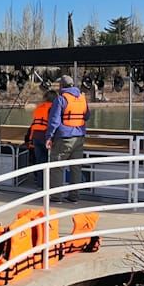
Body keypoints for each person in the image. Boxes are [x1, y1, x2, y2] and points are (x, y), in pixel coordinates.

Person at [44, 75, 89, 203]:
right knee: (76, 168)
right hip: (79, 137)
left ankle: (56, 197)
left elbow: (54, 121)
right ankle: (74, 196)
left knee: (57, 167)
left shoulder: (61, 99)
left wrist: (49, 137)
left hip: (63, 138)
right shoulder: (82, 98)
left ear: (61, 86)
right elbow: (87, 116)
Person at [27, 90, 57, 188]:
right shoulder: (54, 108)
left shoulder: (38, 108)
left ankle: (40, 184)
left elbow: (34, 124)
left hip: (36, 137)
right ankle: (49, 185)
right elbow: (54, 124)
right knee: (50, 162)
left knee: (40, 162)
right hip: (46, 137)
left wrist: (30, 140)